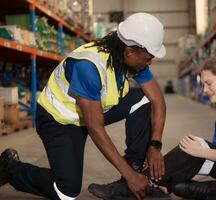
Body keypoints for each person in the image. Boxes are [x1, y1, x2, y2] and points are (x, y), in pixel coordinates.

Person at [0, 12, 167, 200]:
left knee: (143, 99)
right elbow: (95, 128)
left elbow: (158, 100)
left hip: (93, 111)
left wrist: (155, 146)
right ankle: (12, 169)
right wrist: (130, 176)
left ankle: (134, 173)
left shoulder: (129, 58)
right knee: (65, 192)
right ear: (130, 51)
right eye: (148, 58)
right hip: (58, 120)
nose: (149, 62)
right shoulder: (88, 66)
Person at [89, 56, 216, 200]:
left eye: (209, 83)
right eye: (202, 84)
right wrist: (183, 171)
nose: (204, 90)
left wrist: (202, 152)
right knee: (195, 146)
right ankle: (149, 183)